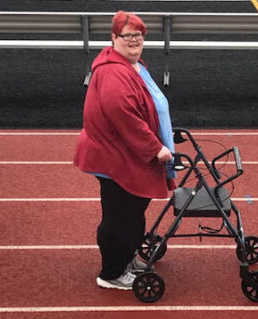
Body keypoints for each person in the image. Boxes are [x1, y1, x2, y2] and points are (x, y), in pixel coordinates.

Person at [74, 11, 176, 290]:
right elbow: (123, 115)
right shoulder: (113, 71)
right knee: (121, 217)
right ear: (114, 38)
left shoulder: (132, 64)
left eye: (138, 35)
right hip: (117, 157)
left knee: (131, 213)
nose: (134, 40)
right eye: (127, 35)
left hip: (128, 155)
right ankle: (112, 273)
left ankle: (125, 258)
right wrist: (156, 148)